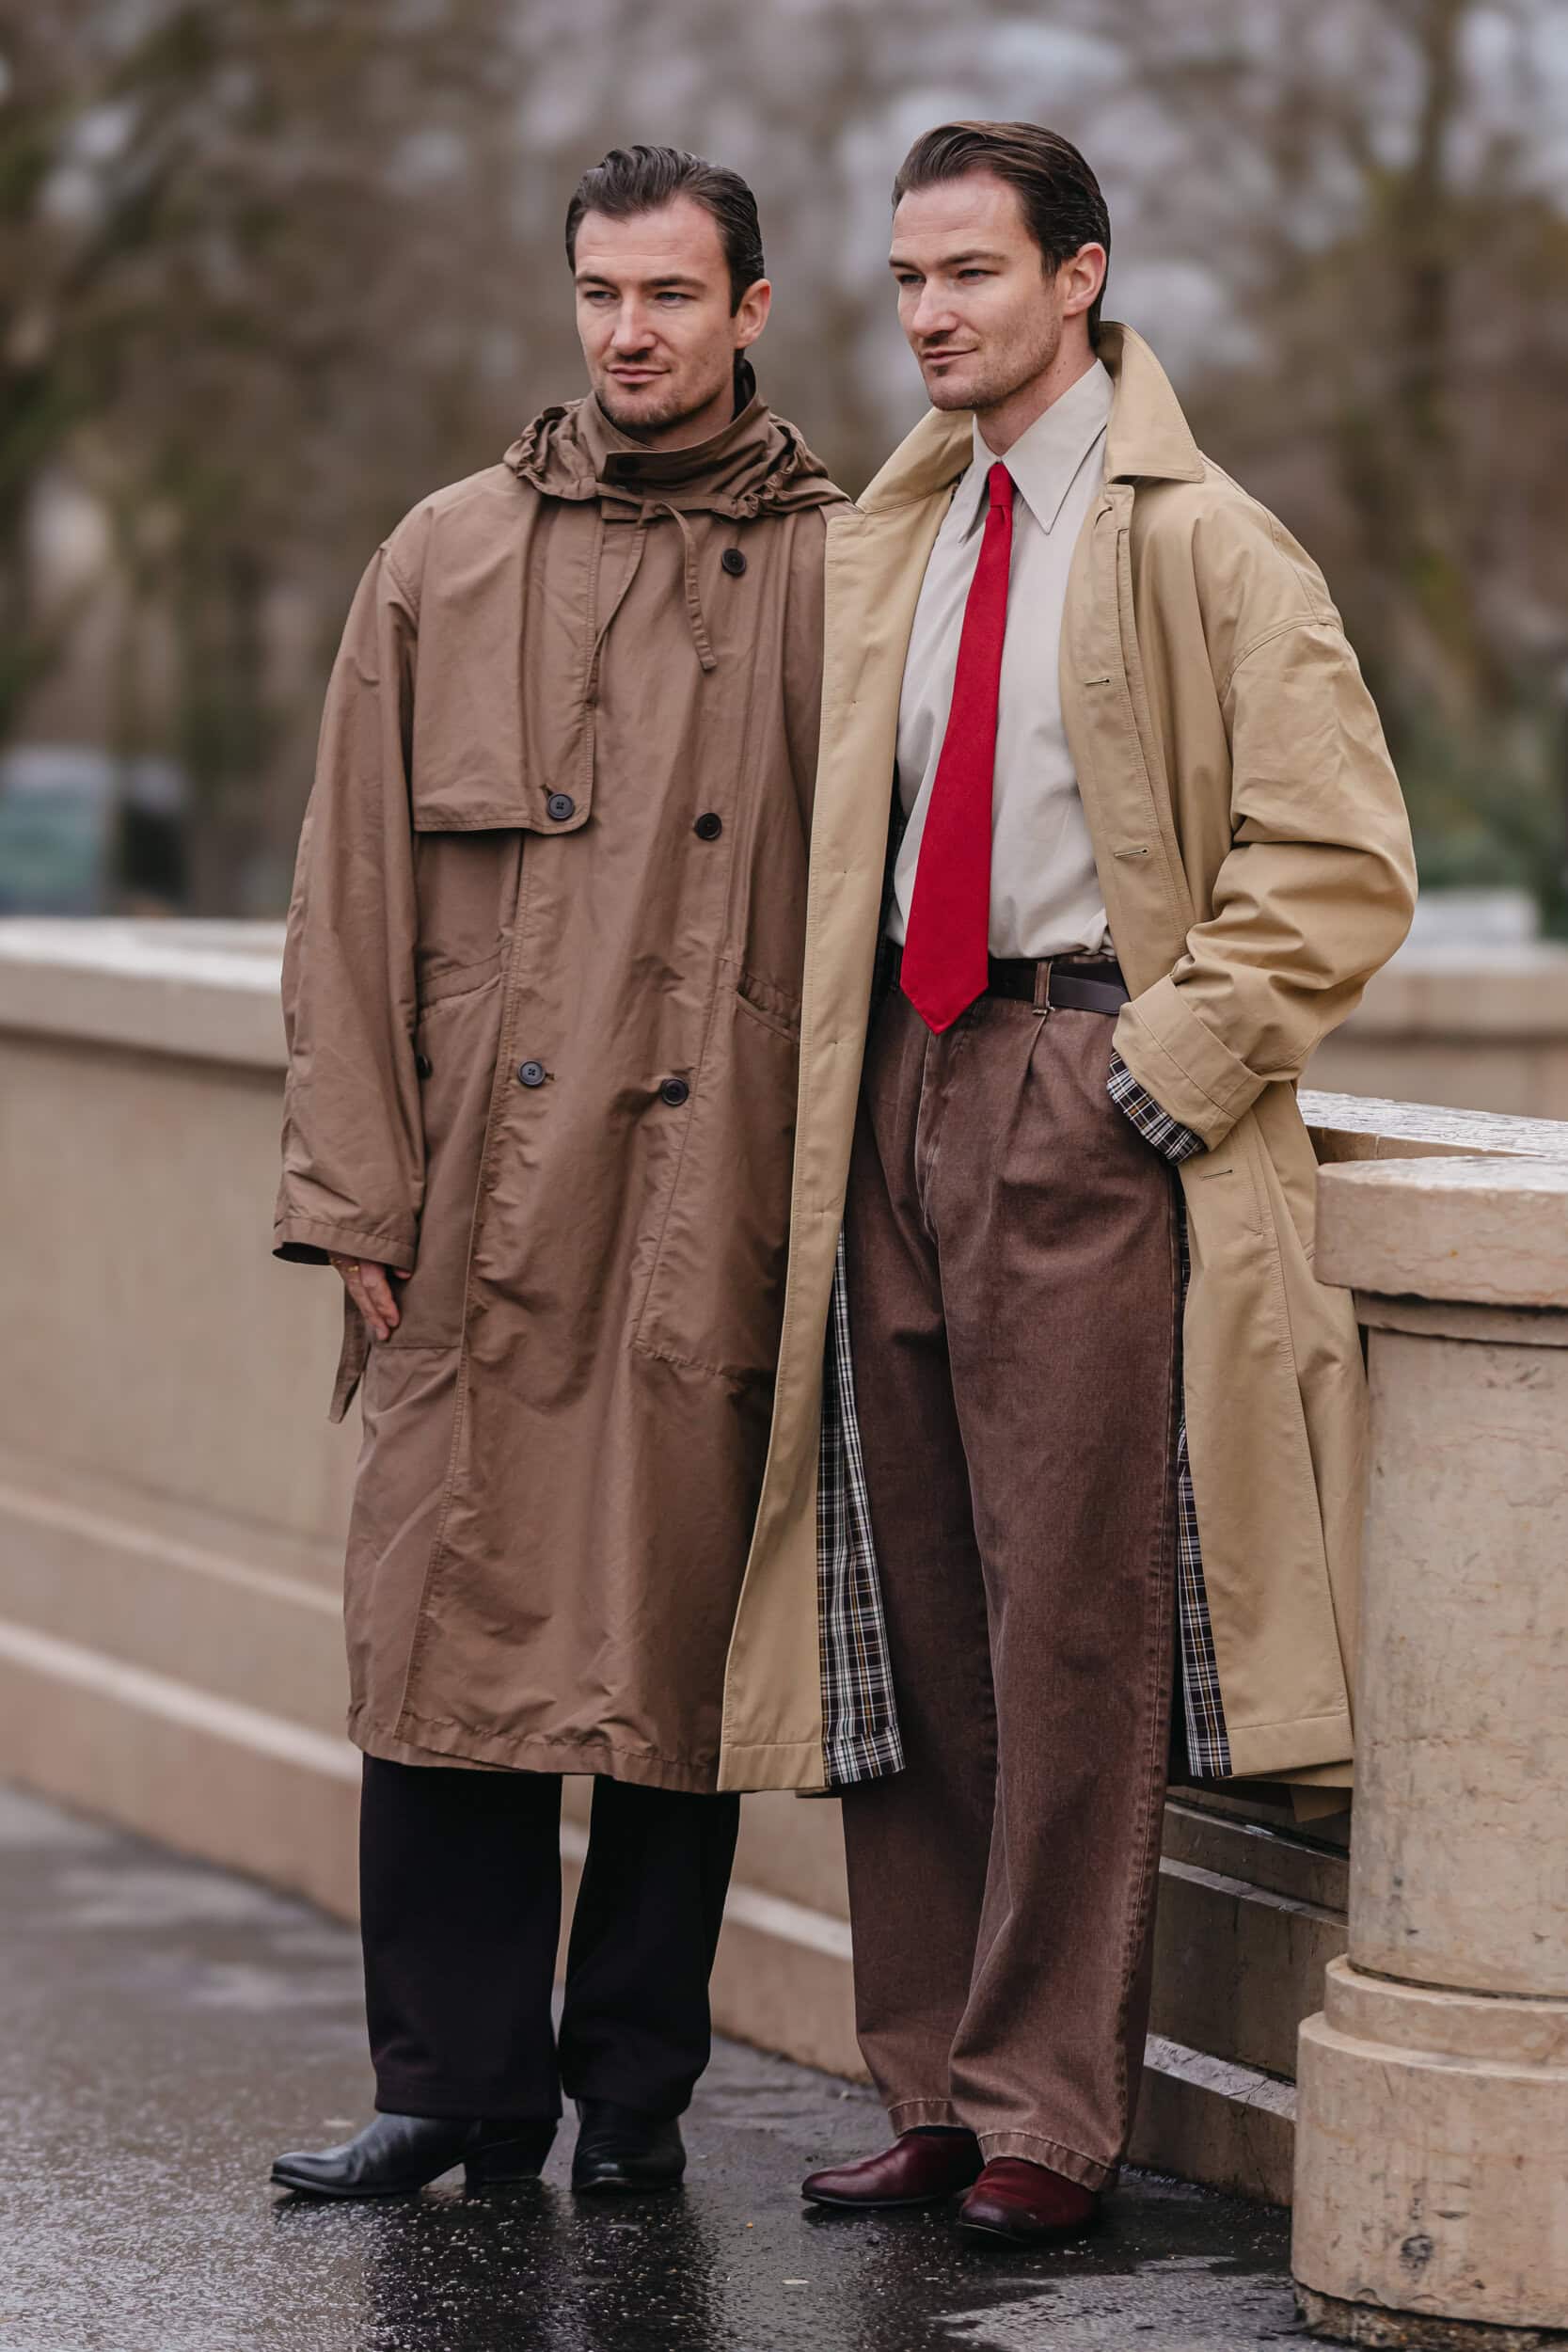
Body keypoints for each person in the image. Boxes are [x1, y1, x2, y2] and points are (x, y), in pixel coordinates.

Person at [749, 120, 1411, 2242]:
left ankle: (1045, 2109)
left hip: (1078, 1083)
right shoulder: (901, 531)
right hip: (895, 1081)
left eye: (972, 272)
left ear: (1080, 278)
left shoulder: (1213, 545)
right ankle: (932, 2084)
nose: (931, 312)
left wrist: (1158, 1071)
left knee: (1070, 1626)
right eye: (907, 277)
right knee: (917, 1608)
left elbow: (1341, 863)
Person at [266, 144, 895, 2202]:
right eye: (602, 294)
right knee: (435, 1637)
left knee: (671, 1657)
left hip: (727, 1190)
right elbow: (347, 896)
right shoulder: (442, 554)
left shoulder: (855, 570)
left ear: (752, 310)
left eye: (671, 295)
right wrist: (351, 1192)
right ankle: (451, 2084)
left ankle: (634, 2096)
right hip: (475, 1197)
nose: (631, 332)